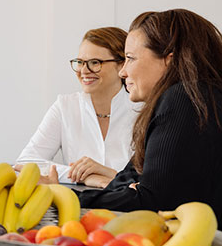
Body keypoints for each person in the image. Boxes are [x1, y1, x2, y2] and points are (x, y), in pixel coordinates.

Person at [77, 9, 222, 226]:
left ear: (169, 60)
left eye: (130, 59)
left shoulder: (183, 99)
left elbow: (153, 202)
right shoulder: (203, 97)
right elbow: (124, 181)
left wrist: (68, 198)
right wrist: (131, 189)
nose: (122, 72)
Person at [16, 27, 141, 188]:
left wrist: (109, 174)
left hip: (133, 208)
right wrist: (83, 177)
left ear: (122, 65)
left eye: (95, 63)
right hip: (79, 206)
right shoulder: (65, 106)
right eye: (80, 62)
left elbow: (152, 176)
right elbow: (25, 163)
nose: (83, 71)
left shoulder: (143, 109)